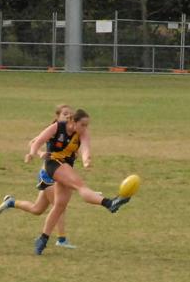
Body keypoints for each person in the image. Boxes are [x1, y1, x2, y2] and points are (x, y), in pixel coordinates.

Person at [26, 109, 132, 255]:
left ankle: (42, 240)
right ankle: (109, 203)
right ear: (73, 122)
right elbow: (37, 142)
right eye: (83, 125)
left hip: (66, 166)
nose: (85, 128)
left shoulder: (82, 133)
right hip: (53, 164)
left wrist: (86, 160)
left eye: (87, 125)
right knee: (79, 185)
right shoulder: (57, 127)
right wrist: (33, 153)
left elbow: (86, 148)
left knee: (59, 206)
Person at [0, 104, 77, 249]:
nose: (67, 116)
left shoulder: (71, 132)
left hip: (59, 173)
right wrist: (39, 153)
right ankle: (61, 239)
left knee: (37, 209)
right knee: (59, 205)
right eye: (64, 114)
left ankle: (11, 202)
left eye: (70, 114)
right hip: (48, 174)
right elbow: (33, 142)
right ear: (57, 116)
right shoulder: (54, 128)